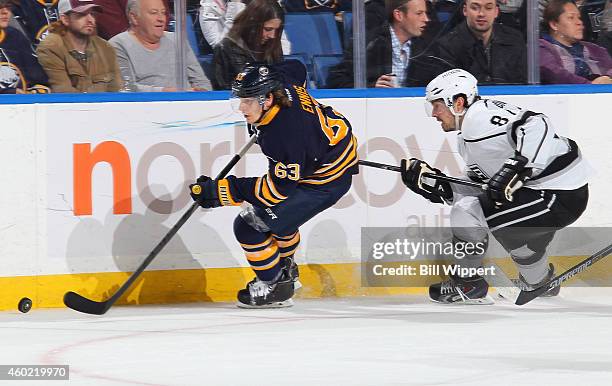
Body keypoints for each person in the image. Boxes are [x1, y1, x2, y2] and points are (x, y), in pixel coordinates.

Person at [401, 69, 590, 304]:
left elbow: (537, 124)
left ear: (457, 102)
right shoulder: (468, 135)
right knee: (507, 232)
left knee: (468, 212)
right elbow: (480, 185)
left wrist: (517, 168)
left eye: (437, 106)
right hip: (551, 192)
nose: (434, 114)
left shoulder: (480, 119)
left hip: (558, 195)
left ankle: (468, 283)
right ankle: (539, 281)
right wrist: (436, 184)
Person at [189, 61, 358, 308]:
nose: (241, 108)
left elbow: (276, 191)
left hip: (323, 182)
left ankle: (275, 285)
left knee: (249, 226)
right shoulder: (282, 80)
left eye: (247, 101)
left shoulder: (285, 136)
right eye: (240, 100)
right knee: (279, 221)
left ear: (268, 100)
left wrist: (221, 191)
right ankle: (286, 269)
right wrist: (263, 71)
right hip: (322, 155)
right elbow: (297, 67)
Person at [327, 0, 435, 88]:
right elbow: (336, 80)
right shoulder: (370, 44)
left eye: (426, 13)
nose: (426, 19)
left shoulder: (426, 46)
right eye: (419, 13)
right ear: (399, 15)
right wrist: (372, 87)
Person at [110, 0, 211, 92]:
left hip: (187, 105)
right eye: (153, 13)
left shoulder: (177, 41)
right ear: (134, 17)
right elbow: (127, 88)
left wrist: (200, 91)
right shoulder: (118, 45)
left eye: (163, 13)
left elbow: (202, 83)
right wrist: (165, 92)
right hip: (146, 108)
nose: (161, 18)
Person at [432, 0, 527, 84]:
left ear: (496, 12)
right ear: (465, 10)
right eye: (475, 8)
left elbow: (523, 81)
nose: (481, 13)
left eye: (488, 8)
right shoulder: (447, 45)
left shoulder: (514, 39)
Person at [36, 0, 122, 93]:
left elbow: (116, 90)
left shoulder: (105, 48)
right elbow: (64, 92)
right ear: (65, 19)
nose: (90, 20)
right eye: (82, 15)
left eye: (92, 14)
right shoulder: (51, 47)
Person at [211, 0, 285, 90]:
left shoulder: (273, 44)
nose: (273, 35)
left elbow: (282, 79)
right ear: (253, 25)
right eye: (268, 29)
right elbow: (225, 91)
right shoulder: (226, 49)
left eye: (276, 30)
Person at [539, 0, 612, 84]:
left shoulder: (595, 49)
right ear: (554, 24)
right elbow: (555, 74)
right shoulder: (541, 48)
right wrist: (590, 85)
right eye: (571, 18)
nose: (579, 22)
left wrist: (607, 78)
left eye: (579, 18)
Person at [0, 0, 49, 93]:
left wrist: (36, 91)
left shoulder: (15, 37)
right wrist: (10, 92)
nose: (5, 12)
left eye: (8, 7)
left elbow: (39, 80)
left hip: (22, 104)